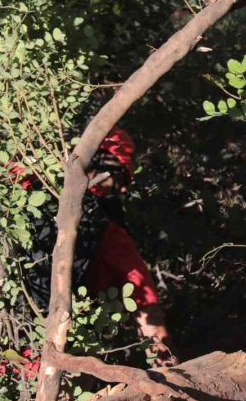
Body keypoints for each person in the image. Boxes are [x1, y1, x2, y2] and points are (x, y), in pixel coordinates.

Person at [26, 128, 178, 367]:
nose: (123, 189)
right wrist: (170, 372)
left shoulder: (25, 194)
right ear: (99, 164)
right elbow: (147, 308)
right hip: (53, 360)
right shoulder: (106, 230)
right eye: (119, 179)